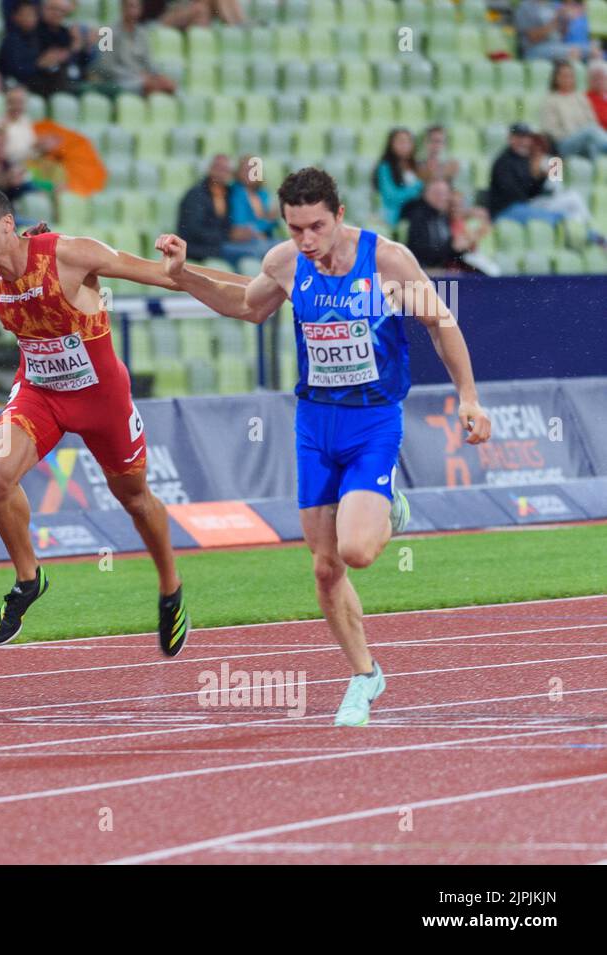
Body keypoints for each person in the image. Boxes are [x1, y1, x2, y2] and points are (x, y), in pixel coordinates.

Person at [157, 166, 493, 725]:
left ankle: (392, 510)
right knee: (324, 568)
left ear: (339, 215)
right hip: (314, 425)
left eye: (316, 227)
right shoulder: (286, 263)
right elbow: (246, 306)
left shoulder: (387, 261)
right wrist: (183, 274)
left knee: (358, 550)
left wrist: (469, 398)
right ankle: (365, 677)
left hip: (372, 423)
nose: (306, 241)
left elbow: (441, 322)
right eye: (295, 229)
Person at [0, 185, 243, 654]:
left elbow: (167, 277)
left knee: (134, 498)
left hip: (102, 400)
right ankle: (29, 579)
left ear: (7, 224)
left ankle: (170, 588)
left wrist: (260, 287)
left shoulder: (69, 253)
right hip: (40, 393)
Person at [178, 153, 273, 267]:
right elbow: (193, 230)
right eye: (218, 168)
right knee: (255, 251)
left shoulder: (227, 192)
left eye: (226, 170)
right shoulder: (196, 194)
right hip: (202, 248)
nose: (222, 173)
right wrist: (228, 235)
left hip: (222, 244)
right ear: (210, 169)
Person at [96, 0, 177, 95]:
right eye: (130, 6)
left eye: (136, 7)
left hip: (140, 78)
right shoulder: (107, 32)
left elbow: (149, 63)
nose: (134, 11)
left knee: (169, 85)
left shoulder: (143, 33)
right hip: (119, 80)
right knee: (150, 87)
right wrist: (137, 76)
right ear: (122, 8)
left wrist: (158, 76)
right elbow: (106, 67)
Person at [541, 59, 607, 157]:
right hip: (564, 144)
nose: (567, 79)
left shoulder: (580, 97)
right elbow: (550, 130)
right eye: (564, 76)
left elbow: (592, 120)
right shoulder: (551, 100)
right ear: (556, 78)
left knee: (592, 146)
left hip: (584, 140)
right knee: (591, 131)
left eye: (570, 76)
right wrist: (576, 134)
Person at [374, 127, 422, 226]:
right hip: (394, 216)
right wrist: (418, 187)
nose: (405, 145)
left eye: (408, 141)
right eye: (400, 141)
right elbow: (391, 197)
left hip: (414, 212)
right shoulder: (385, 167)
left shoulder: (417, 166)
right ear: (391, 144)